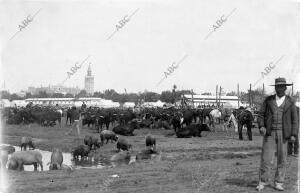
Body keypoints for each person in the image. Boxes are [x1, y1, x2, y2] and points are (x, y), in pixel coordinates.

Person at [256, 77, 298, 191]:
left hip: (284, 134)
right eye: (278, 86)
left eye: (282, 86)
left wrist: (293, 134)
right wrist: (261, 126)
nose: (280, 88)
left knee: (282, 158)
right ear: (275, 88)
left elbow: (295, 120)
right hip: (269, 133)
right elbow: (260, 115)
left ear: (285, 88)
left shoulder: (290, 102)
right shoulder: (268, 100)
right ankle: (263, 181)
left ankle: (279, 182)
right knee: (266, 158)